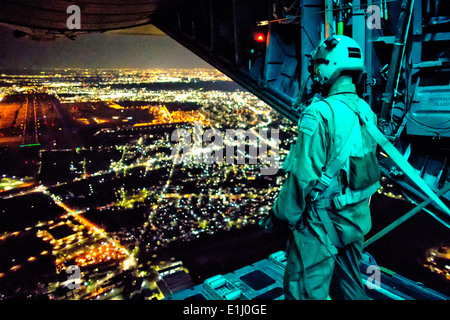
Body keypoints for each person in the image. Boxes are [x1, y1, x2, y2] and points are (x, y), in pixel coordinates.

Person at [270, 35, 381, 300]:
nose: (315, 71)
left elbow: (302, 177)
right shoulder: (366, 110)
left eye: (318, 65)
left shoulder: (319, 113)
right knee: (351, 288)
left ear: (331, 65)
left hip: (320, 225)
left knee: (303, 292)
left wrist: (282, 215)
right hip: (354, 219)